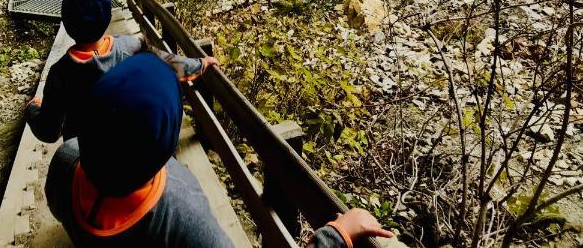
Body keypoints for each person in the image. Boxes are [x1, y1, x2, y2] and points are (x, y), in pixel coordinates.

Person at [46, 54, 396, 247]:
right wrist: (338, 236)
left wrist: (194, 67)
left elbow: (143, 84)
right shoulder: (187, 222)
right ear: (167, 140)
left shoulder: (68, 159)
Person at [26, 0, 217, 143]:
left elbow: (49, 132)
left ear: (66, 22)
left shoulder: (61, 73)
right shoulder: (130, 46)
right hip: (131, 143)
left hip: (89, 160)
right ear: (108, 17)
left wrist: (33, 108)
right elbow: (170, 63)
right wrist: (201, 63)